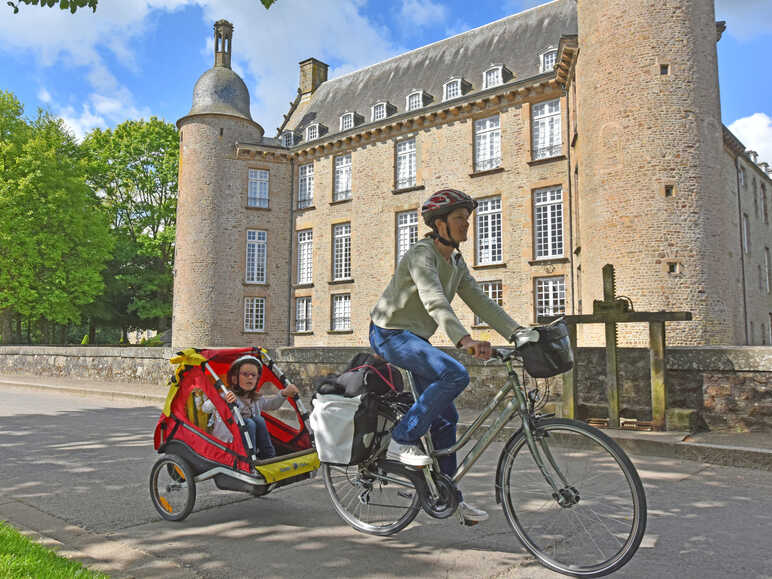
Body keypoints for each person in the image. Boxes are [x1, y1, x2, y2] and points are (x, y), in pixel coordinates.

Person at [369, 188, 526, 524]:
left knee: (447, 419)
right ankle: (402, 440)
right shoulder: (421, 255)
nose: (466, 226)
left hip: (415, 338)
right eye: (459, 220)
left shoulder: (455, 261)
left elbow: (481, 301)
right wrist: (463, 339)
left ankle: (446, 494)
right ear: (439, 224)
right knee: (455, 374)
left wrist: (518, 332)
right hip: (389, 334)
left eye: (467, 221)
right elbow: (434, 298)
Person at [202, 355, 299, 460]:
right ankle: (248, 460)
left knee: (259, 420)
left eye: (253, 375)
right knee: (250, 423)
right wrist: (221, 400)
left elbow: (272, 405)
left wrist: (284, 393)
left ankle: (269, 456)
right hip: (228, 441)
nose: (250, 377)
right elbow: (205, 408)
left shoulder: (256, 399)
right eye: (245, 374)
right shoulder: (226, 395)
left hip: (249, 441)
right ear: (234, 379)